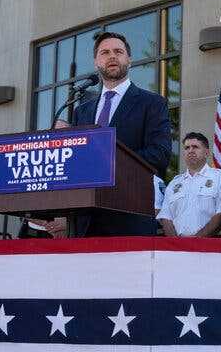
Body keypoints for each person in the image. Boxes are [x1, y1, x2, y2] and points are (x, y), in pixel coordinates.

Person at [72, 32, 171, 236]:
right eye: (105, 52)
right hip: (86, 222)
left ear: (129, 60)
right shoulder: (82, 111)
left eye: (118, 51)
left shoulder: (152, 103)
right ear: (96, 61)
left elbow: (159, 155)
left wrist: (110, 162)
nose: (112, 56)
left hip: (130, 218)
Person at [157, 133, 221, 237]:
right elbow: (166, 217)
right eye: (187, 148)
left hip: (208, 245)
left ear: (206, 152)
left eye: (195, 147)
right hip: (177, 247)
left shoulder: (219, 178)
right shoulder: (174, 183)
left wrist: (196, 240)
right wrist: (175, 243)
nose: (191, 150)